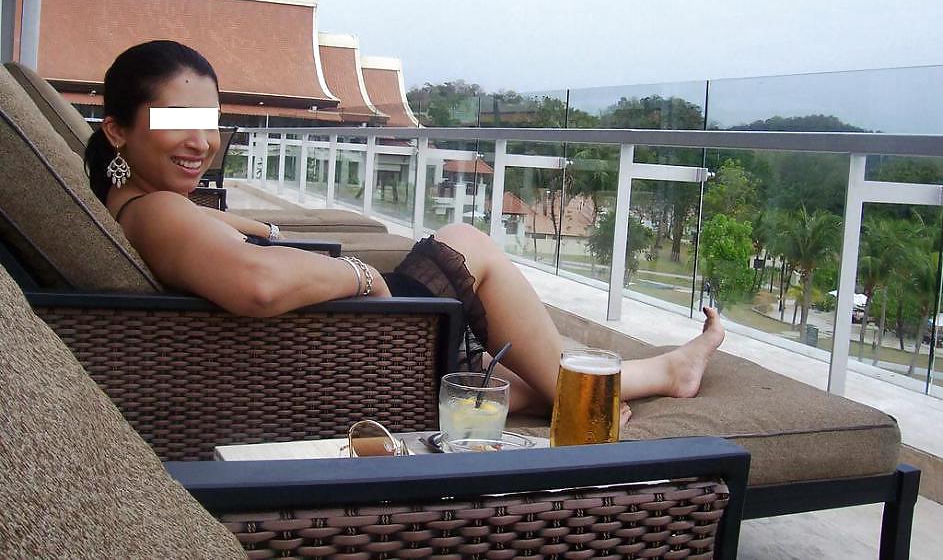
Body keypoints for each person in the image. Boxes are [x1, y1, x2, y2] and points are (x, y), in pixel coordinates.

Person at [85, 40, 724, 416]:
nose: (201, 141)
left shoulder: (138, 206)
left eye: (209, 122)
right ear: (116, 129)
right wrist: (360, 273)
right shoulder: (159, 212)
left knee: (511, 375)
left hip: (342, 348)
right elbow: (259, 285)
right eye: (175, 121)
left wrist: (244, 226)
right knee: (468, 245)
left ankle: (643, 374)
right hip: (368, 344)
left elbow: (239, 246)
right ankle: (642, 380)